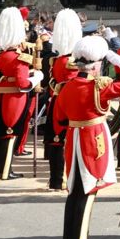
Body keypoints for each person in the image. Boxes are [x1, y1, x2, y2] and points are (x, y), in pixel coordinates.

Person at [56, 36, 120, 239]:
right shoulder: (98, 86)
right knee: (88, 190)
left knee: (75, 191)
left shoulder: (68, 85)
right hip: (93, 138)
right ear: (96, 65)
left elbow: (60, 116)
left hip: (73, 136)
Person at [0, 7, 42, 179]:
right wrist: (36, 78)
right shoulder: (20, 57)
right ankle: (4, 171)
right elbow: (22, 83)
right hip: (14, 99)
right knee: (10, 134)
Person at [43, 10, 83, 190]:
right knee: (69, 142)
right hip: (71, 105)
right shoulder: (72, 61)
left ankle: (56, 180)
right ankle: (66, 179)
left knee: (56, 141)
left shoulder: (57, 60)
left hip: (56, 102)